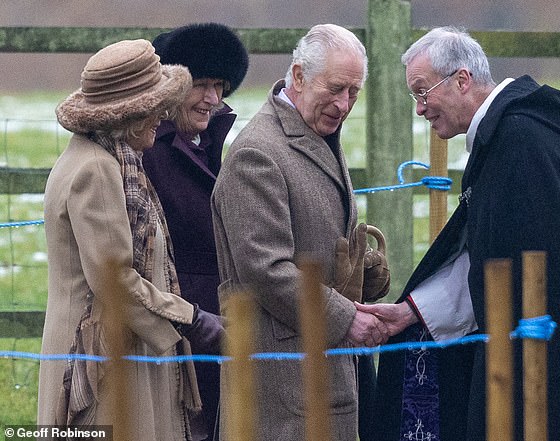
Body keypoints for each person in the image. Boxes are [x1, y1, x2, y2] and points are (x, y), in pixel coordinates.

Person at [357, 26, 560, 441]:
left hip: (550, 372)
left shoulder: (520, 144)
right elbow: (488, 261)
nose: (419, 109)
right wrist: (411, 312)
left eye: (422, 91)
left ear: (462, 80)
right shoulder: (506, 136)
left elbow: (523, 279)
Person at [38, 39, 225, 441]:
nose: (162, 116)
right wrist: (193, 319)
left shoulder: (112, 161)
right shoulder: (98, 171)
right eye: (154, 107)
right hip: (103, 361)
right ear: (130, 114)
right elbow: (116, 281)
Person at [211, 24, 390, 441]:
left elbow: (313, 235)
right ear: (297, 76)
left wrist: (361, 269)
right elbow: (266, 269)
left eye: (355, 92)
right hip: (281, 387)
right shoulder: (258, 154)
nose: (344, 104)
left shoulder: (315, 132)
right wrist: (347, 319)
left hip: (317, 371)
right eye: (336, 88)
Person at [142, 23, 249, 441]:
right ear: (171, 87)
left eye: (219, 85)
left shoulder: (211, 145)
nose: (212, 99)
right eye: (199, 85)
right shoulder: (150, 152)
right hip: (177, 326)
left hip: (218, 324)